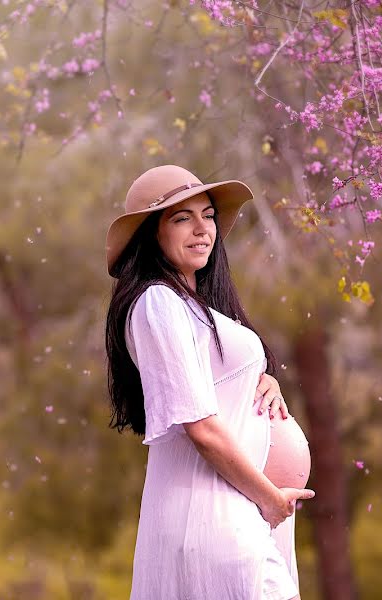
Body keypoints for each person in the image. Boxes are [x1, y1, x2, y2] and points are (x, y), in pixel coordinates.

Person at [104, 164, 315, 599]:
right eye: (182, 218)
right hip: (216, 518)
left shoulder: (194, 307)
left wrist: (263, 379)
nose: (203, 229)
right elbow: (200, 428)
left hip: (234, 514)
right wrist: (270, 499)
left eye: (208, 215)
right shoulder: (158, 302)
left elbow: (218, 385)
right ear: (151, 233)